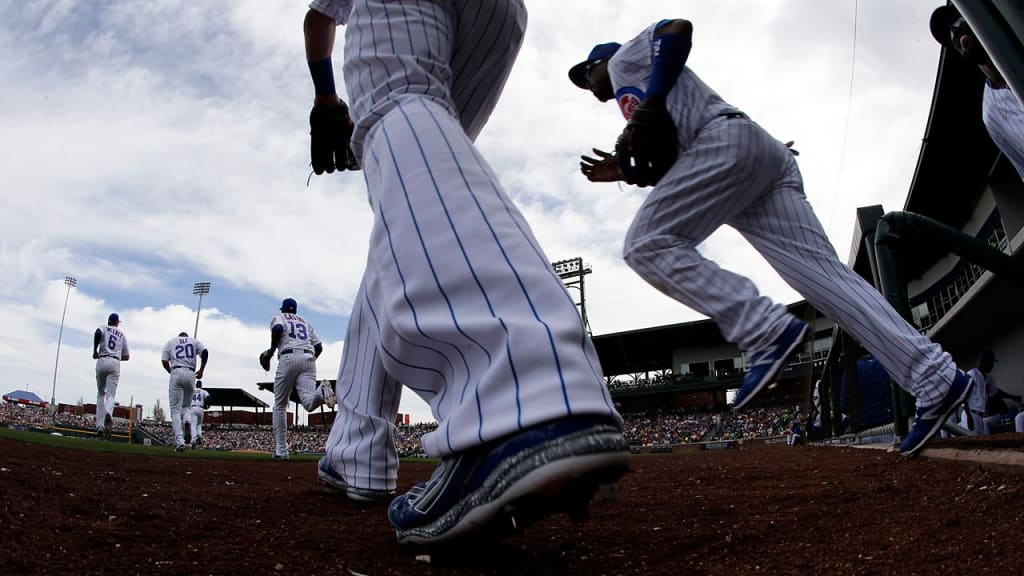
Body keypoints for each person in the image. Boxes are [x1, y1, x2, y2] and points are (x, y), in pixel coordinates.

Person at [303, 0, 630, 546]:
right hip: (501, 15)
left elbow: (318, 20)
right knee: (415, 198)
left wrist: (325, 98)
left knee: (396, 104)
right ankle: (356, 446)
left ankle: (522, 398)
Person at [569, 18, 972, 458]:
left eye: (586, 73)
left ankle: (763, 328)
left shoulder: (627, 59)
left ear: (602, 62)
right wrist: (625, 171)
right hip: (757, 156)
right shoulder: (640, 93)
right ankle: (935, 377)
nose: (586, 85)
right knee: (828, 282)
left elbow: (676, 29)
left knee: (646, 244)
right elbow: (667, 161)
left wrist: (652, 104)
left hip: (726, 145)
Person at [930, 5, 1024, 180]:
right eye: (951, 36)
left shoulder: (1019, 46)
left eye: (960, 22)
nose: (957, 33)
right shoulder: (991, 113)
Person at [260, 298, 335, 459]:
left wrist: (272, 351)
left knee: (279, 406)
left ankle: (281, 450)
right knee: (308, 403)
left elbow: (278, 328)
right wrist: (309, 360)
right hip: (309, 357)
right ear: (295, 310)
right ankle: (322, 391)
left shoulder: (279, 317)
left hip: (287, 357)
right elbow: (319, 346)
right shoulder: (305, 322)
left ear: (283, 309)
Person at [161, 331, 209, 451]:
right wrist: (202, 370)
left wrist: (170, 372)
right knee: (187, 406)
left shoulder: (171, 342)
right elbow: (205, 352)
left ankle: (180, 441)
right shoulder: (193, 341)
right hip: (191, 373)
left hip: (176, 371)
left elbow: (164, 360)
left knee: (175, 410)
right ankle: (187, 420)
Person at [92, 313, 129, 439]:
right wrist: (117, 356)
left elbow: (97, 333)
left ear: (109, 321)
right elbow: (127, 356)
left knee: (100, 393)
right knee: (110, 395)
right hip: (114, 362)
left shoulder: (103, 327)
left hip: (102, 359)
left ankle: (100, 427)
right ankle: (109, 412)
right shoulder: (122, 334)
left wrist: (95, 350)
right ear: (117, 322)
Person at [187, 380, 212, 448]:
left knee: (193, 425)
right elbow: (209, 398)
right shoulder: (203, 391)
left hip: (193, 408)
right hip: (200, 409)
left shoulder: (191, 391)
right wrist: (207, 405)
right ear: (201, 385)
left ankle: (193, 440)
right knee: (199, 424)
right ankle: (199, 435)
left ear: (196, 385)